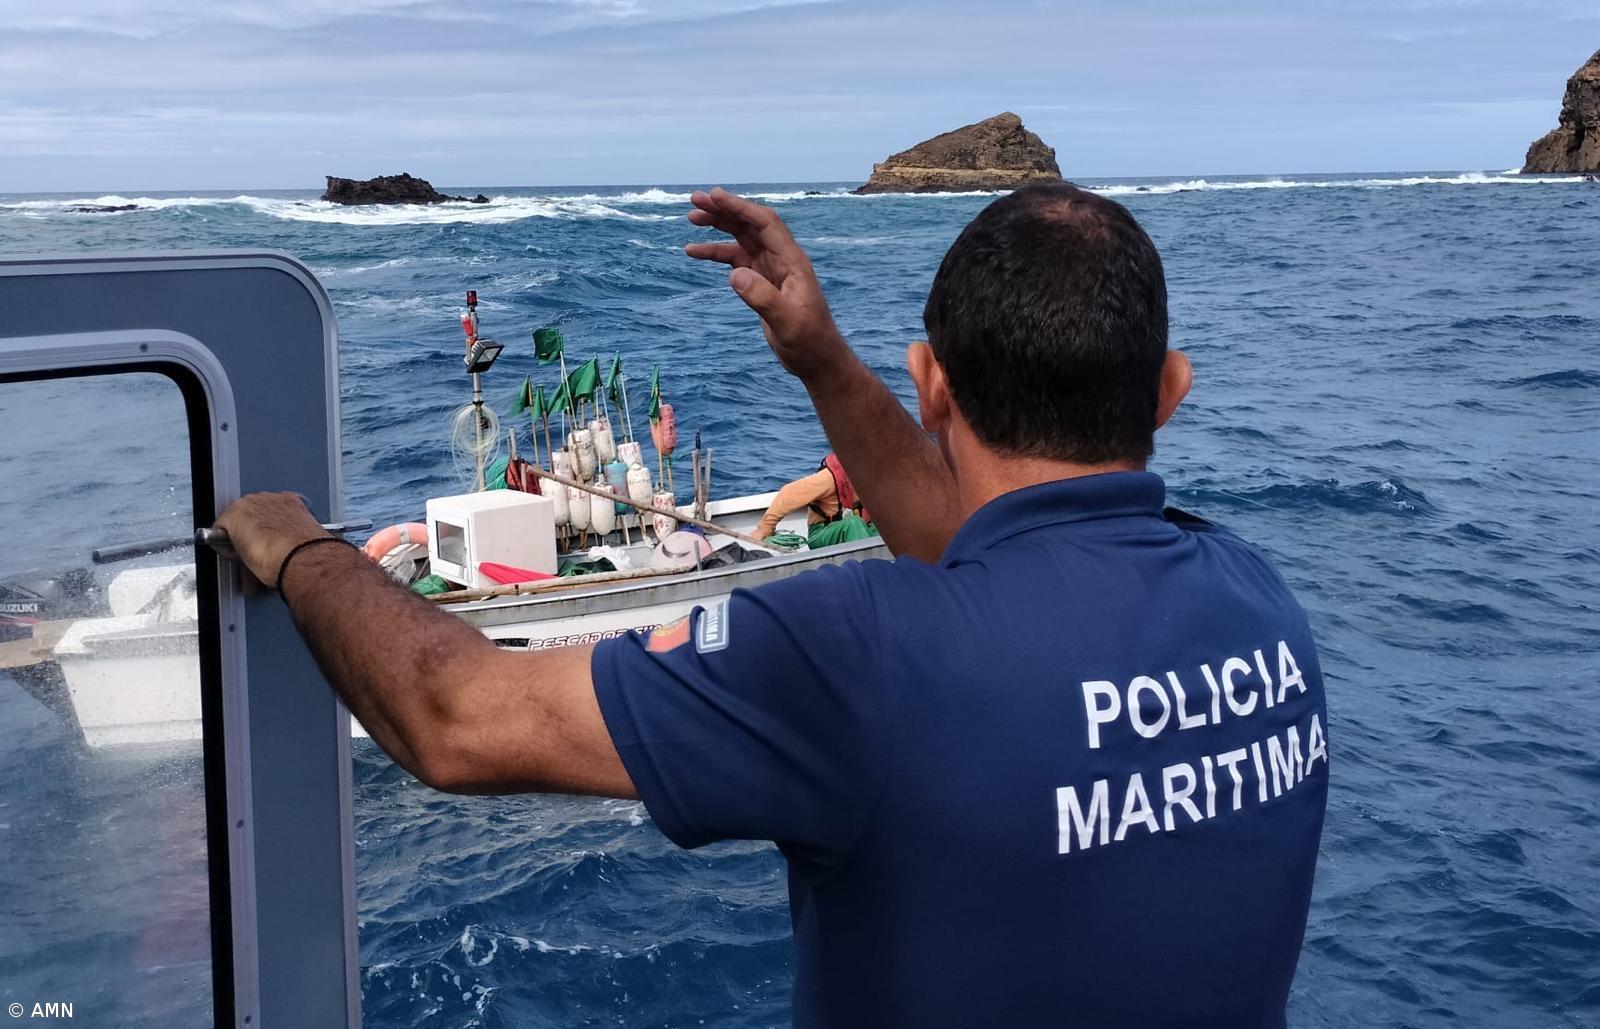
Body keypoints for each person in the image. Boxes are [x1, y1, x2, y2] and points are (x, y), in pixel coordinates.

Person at [217, 184, 1328, 1028]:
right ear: (1169, 391)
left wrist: (303, 549)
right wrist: (820, 362)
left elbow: (456, 718)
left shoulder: (867, 653)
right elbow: (991, 563)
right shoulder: (1256, 599)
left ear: (931, 383)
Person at [751, 452, 876, 547]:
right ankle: (869, 566)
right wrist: (765, 527)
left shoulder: (875, 477)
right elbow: (789, 493)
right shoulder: (828, 479)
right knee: (853, 523)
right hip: (821, 534)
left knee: (882, 528)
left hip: (859, 529)